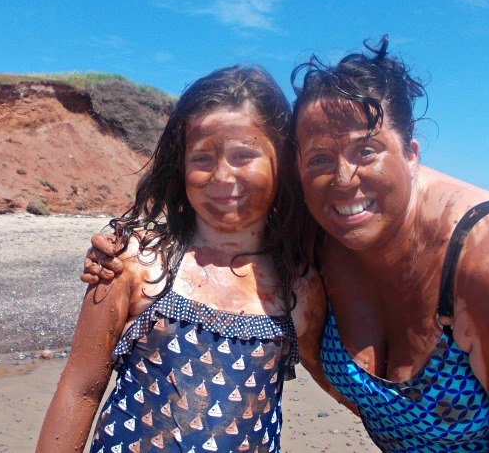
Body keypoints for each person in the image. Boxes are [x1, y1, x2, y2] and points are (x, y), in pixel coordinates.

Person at [83, 37, 489, 452]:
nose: (343, 179)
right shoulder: (317, 233)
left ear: (412, 152)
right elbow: (225, 211)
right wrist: (125, 245)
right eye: (318, 158)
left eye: (366, 150)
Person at [36, 66, 328, 453]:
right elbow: (80, 388)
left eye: (244, 156)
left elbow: (341, 382)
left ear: (283, 163)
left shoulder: (300, 286)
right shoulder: (134, 263)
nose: (223, 177)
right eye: (203, 158)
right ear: (181, 165)